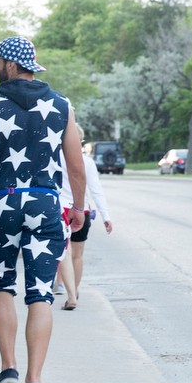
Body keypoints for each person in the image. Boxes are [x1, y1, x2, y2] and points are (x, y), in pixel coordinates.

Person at [0, 36, 86, 383]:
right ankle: (35, 381)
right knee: (41, 293)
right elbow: (75, 165)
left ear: (10, 65)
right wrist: (78, 207)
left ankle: (8, 368)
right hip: (45, 205)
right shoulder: (62, 105)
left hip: (3, 206)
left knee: (2, 286)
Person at [58, 123, 114, 304]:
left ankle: (70, 295)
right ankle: (75, 290)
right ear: (80, 140)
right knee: (78, 255)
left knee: (63, 253)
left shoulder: (54, 158)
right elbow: (96, 190)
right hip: (83, 210)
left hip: (60, 210)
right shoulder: (88, 162)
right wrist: (106, 216)